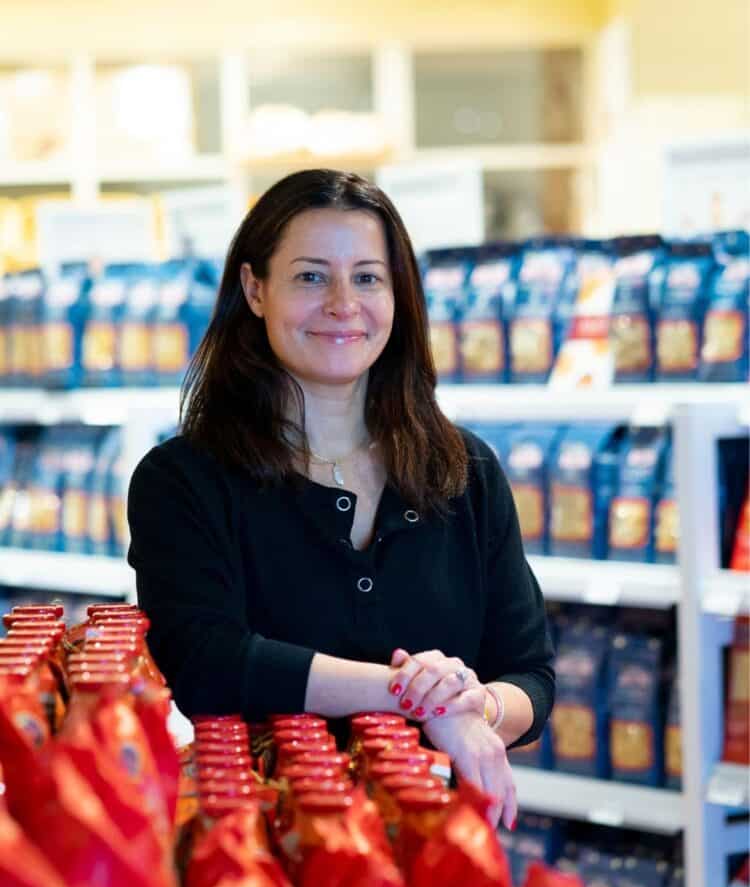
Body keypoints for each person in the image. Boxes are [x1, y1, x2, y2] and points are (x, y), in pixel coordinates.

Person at [127, 169, 554, 829]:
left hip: (441, 853)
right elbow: (206, 664)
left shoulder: (464, 471)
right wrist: (417, 700)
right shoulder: (184, 479)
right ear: (254, 289)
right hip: (254, 860)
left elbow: (530, 677)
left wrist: (477, 709)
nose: (341, 303)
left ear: (398, 296)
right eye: (310, 276)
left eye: (367, 277)